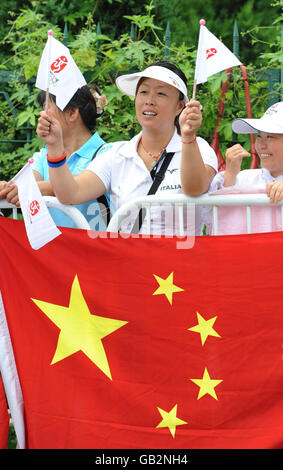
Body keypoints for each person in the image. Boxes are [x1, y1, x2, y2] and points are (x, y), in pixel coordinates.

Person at [35, 60, 218, 235]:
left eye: (161, 94)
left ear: (180, 106)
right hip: (128, 263)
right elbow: (70, 193)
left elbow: (194, 188)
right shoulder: (116, 154)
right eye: (144, 92)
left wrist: (188, 137)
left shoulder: (199, 149)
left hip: (180, 262)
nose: (150, 100)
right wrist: (55, 146)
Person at [0, 84, 109, 229]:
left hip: (91, 248)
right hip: (52, 249)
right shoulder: (43, 155)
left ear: (71, 113)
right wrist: (9, 189)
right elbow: (25, 182)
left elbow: (75, 186)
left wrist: (30, 189)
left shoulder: (107, 154)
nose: (42, 114)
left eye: (47, 106)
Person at [209, 101, 283, 234]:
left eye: (270, 137)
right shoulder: (243, 178)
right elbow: (210, 208)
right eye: (259, 136)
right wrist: (230, 173)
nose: (261, 145)